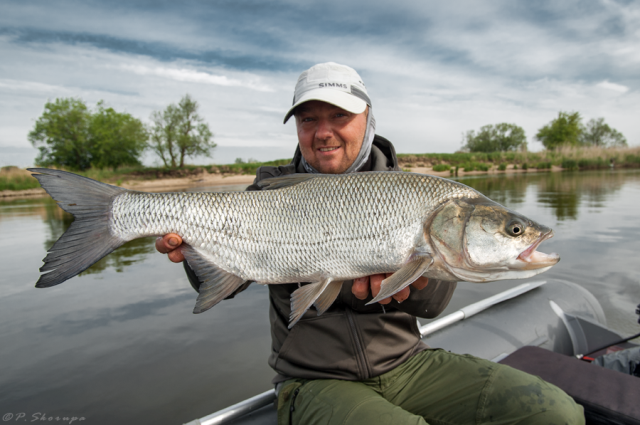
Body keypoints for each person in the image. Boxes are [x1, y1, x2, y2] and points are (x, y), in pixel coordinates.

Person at [157, 63, 584, 424]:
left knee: (559, 414)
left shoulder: (420, 194)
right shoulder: (267, 193)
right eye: (309, 120)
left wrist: (408, 285)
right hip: (312, 379)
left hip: (409, 364)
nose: (323, 133)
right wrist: (193, 253)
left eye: (338, 117)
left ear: (367, 118)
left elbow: (433, 307)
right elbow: (216, 283)